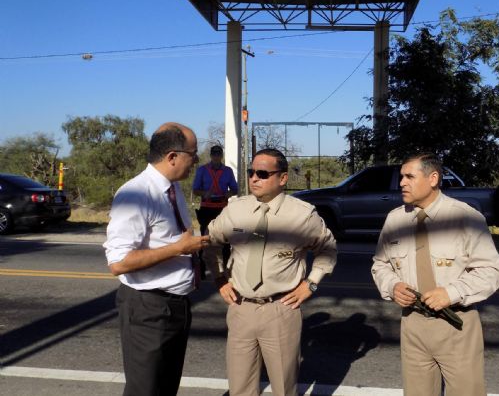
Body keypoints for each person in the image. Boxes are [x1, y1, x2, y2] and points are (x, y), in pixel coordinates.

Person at [204, 148, 337, 396]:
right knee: (240, 387)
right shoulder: (236, 210)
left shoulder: (302, 215)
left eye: (263, 173)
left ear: (283, 178)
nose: (254, 178)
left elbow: (328, 250)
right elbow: (210, 242)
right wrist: (220, 278)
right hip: (241, 308)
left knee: (284, 388)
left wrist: (311, 284)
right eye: (251, 172)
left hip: (281, 310)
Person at [371, 153, 499, 396]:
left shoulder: (465, 217)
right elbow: (380, 264)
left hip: (455, 322)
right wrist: (393, 287)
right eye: (402, 177)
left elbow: (491, 271)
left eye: (409, 176)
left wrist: (451, 293)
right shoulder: (395, 219)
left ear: (433, 179)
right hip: (412, 324)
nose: (402, 183)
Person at [103, 122, 210, 396]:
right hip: (149, 309)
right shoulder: (136, 194)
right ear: (172, 156)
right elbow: (119, 263)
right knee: (146, 390)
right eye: (193, 155)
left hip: (175, 306)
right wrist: (178, 248)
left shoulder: (172, 190)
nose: (197, 162)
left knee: (164, 388)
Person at [192, 144, 238, 273]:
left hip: (222, 208)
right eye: (214, 154)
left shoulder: (227, 171)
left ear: (222, 156)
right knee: (204, 238)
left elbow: (235, 189)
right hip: (206, 207)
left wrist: (229, 193)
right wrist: (204, 193)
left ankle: (227, 269)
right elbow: (195, 190)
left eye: (219, 154)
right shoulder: (202, 170)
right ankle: (201, 267)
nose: (216, 156)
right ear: (211, 155)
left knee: (226, 238)